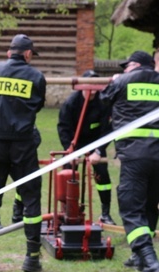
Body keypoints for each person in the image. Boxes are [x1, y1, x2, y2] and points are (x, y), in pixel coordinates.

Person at [99, 50, 159, 272]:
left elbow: (103, 101)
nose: (123, 70)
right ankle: (139, 257)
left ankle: (150, 262)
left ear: (134, 65)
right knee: (149, 206)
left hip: (134, 155)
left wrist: (113, 82)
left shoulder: (122, 80)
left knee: (131, 209)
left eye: (126, 66)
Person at [0, 34, 46, 272]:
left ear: (8, 52)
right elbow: (37, 104)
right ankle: (32, 258)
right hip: (24, 146)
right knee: (31, 200)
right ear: (27, 54)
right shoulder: (36, 76)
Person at [57, 70, 115, 225]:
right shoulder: (71, 103)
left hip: (95, 141)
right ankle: (67, 211)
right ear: (82, 85)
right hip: (75, 142)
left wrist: (99, 151)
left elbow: (107, 130)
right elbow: (63, 127)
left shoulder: (104, 104)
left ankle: (105, 213)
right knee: (68, 171)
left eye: (96, 83)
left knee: (102, 172)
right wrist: (70, 151)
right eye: (90, 82)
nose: (93, 86)